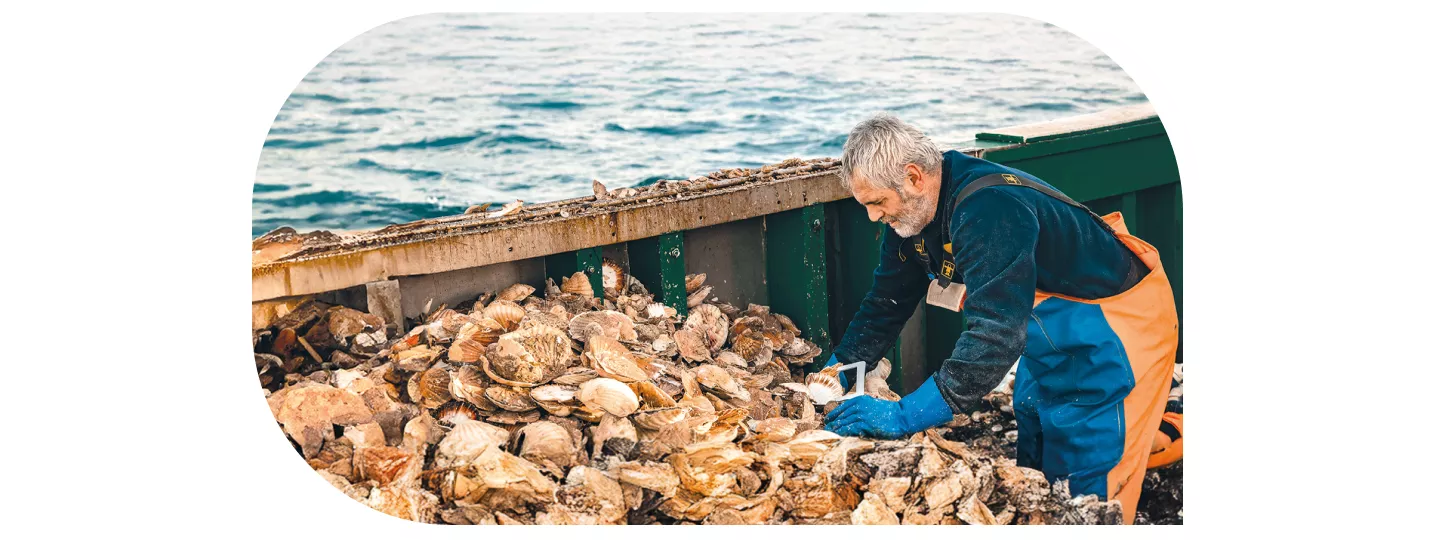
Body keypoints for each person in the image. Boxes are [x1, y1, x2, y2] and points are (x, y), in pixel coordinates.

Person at [820, 113, 1180, 524]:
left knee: (1087, 483)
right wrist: (839, 370)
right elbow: (887, 300)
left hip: (1117, 328)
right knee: (1038, 435)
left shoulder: (988, 211)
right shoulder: (912, 216)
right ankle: (1151, 432)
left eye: (876, 203)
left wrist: (904, 417)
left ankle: (1154, 435)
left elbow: (994, 338)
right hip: (1050, 327)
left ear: (915, 177)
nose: (872, 216)